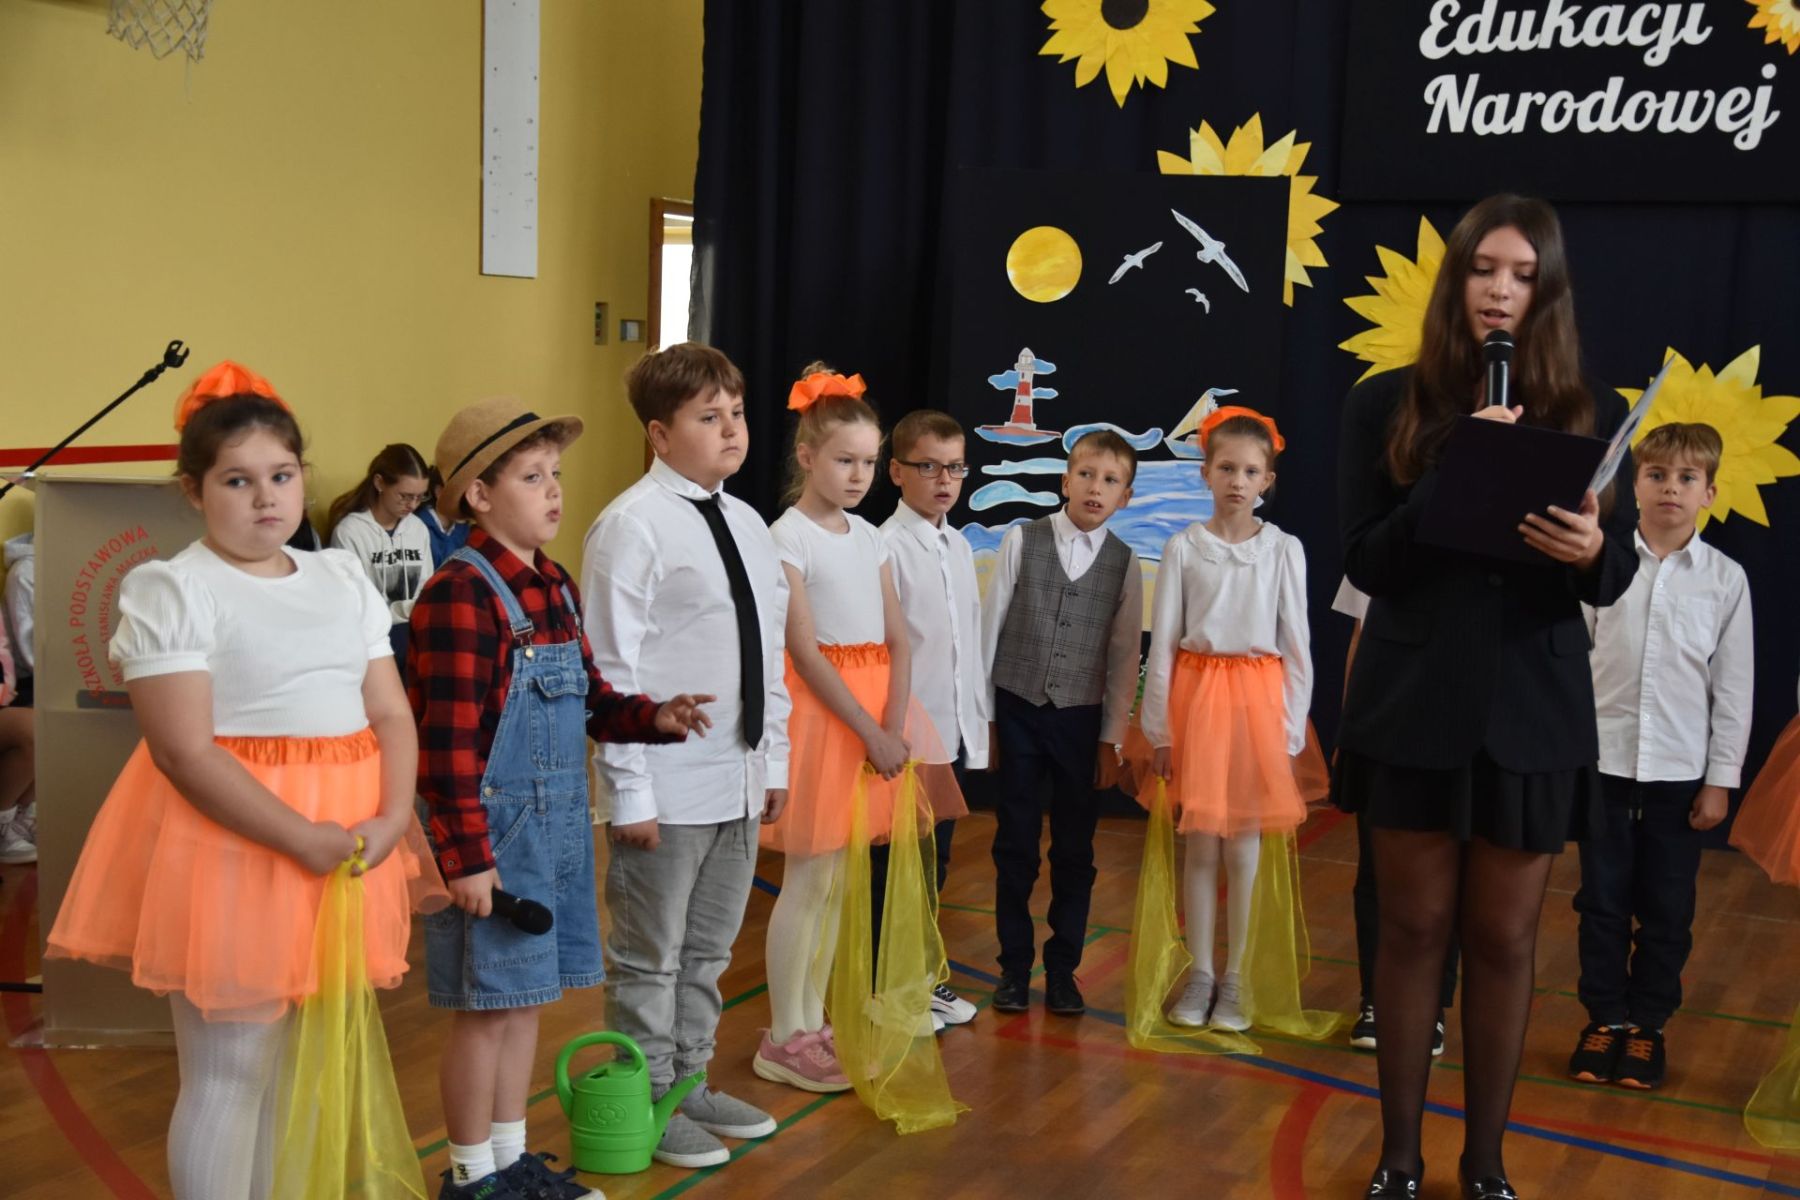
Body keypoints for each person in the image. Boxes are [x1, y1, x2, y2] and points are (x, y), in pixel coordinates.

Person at [46, 360, 438, 1199]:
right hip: (238, 844)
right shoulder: (173, 588)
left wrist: (392, 815)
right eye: (237, 480)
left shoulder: (339, 575)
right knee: (232, 1069)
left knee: (293, 1062)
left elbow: (390, 712)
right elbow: (184, 752)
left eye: (282, 476)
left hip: (348, 841)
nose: (266, 498)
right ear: (192, 491)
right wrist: (299, 837)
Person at [1335, 194, 1638, 1199]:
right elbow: (1368, 563)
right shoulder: (1385, 403)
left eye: (1523, 275)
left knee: (1505, 939)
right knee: (1413, 931)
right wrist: (1454, 467)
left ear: (1547, 294)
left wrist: (1592, 550)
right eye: (1484, 269)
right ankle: (1399, 1160)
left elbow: (1611, 574)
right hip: (1413, 702)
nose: (1501, 291)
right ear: (1456, 278)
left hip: (1532, 711)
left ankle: (1486, 1166)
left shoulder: (1588, 409)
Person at [411, 396, 712, 1200]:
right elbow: (446, 750)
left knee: (524, 1002)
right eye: (532, 477)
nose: (554, 490)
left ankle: (509, 1164)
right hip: (493, 841)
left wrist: (653, 717)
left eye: (555, 474)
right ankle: (472, 1177)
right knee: (485, 1010)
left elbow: (591, 700)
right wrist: (466, 860)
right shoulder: (459, 594)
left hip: (553, 833)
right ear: (479, 494)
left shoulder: (554, 586)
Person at [582, 343, 790, 1169]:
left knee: (708, 955)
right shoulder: (631, 526)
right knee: (649, 958)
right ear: (661, 435)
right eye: (709, 417)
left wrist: (772, 763)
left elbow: (766, 653)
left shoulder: (747, 523)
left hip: (736, 778)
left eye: (736, 413)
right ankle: (645, 1096)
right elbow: (610, 670)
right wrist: (629, 794)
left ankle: (689, 1082)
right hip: (665, 788)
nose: (732, 430)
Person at [754, 365, 965, 1100]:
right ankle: (784, 1034)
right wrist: (868, 731)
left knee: (842, 882)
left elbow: (899, 638)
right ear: (806, 456)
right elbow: (806, 651)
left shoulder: (871, 537)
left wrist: (894, 724)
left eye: (869, 463)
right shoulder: (786, 537)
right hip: (826, 719)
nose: (858, 475)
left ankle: (812, 1021)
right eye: (845, 460)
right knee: (809, 879)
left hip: (874, 719)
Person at [1568, 422, 1752, 1091]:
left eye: (1686, 478)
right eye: (1656, 475)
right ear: (1635, 485)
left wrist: (1720, 780)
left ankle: (1648, 1024)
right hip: (1605, 768)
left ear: (1709, 493)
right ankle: (1605, 1019)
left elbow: (1733, 687)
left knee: (1668, 909)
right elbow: (1575, 668)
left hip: (1680, 776)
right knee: (1601, 902)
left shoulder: (1725, 580)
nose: (1670, 488)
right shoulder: (1601, 564)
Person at [1139, 407, 1319, 1032]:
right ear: (1206, 473)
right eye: (1226, 468)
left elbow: (1297, 648)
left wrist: (1288, 736)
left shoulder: (1283, 550)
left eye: (1249, 471)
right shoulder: (1183, 547)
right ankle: (1201, 975)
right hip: (1197, 706)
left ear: (1268, 479)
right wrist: (1159, 731)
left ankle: (1236, 978)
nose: (1237, 481)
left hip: (1255, 710)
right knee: (1200, 846)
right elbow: (1163, 643)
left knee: (1244, 846)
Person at [980, 429, 1143, 1016]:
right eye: (1087, 475)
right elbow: (990, 631)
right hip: (1018, 713)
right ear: (1065, 481)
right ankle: (1013, 968)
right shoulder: (1022, 540)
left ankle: (1063, 970)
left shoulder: (1124, 563)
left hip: (1080, 723)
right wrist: (986, 723)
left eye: (1110, 480)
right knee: (1015, 845)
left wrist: (1111, 739)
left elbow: (1124, 657)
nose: (1096, 488)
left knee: (1075, 851)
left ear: (1125, 496)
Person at [875, 407, 987, 1029]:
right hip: (907, 733)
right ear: (896, 471)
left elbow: (966, 643)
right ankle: (891, 988)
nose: (945, 480)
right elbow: (886, 648)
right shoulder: (886, 548)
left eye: (955, 468)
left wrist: (977, 722)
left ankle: (922, 977)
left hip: (950, 730)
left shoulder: (959, 544)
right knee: (896, 865)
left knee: (933, 861)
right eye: (929, 467)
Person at [1335, 575, 1460, 1057]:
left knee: (1448, 876)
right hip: (1384, 730)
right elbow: (1359, 639)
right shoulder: (1378, 547)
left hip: (1454, 734)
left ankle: (1432, 1005)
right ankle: (1375, 999)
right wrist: (1349, 728)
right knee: (1376, 874)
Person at [326, 443, 434, 662]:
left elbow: (427, 586)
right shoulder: (350, 531)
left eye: (420, 497)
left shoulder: (417, 528)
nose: (413, 505)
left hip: (414, 627)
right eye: (405, 496)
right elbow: (357, 604)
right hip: (374, 635)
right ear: (379, 483)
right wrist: (407, 610)